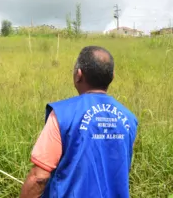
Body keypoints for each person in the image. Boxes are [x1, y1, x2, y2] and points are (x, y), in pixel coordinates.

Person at [20, 46, 138, 198]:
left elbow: (39, 177)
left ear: (78, 75)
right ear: (112, 76)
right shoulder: (129, 118)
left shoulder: (62, 114)